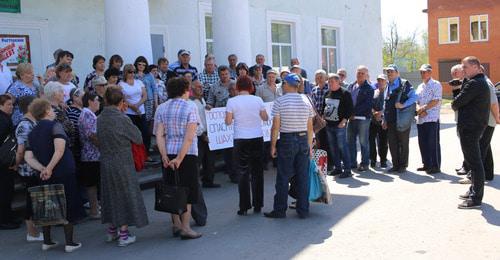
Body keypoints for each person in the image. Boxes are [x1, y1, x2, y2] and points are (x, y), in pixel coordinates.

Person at [24, 98, 85, 252]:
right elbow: (60, 149)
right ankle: (70, 243)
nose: (53, 110)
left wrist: (43, 168)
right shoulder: (55, 126)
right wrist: (49, 168)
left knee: (46, 205)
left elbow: (28, 157)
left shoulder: (32, 132)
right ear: (46, 111)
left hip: (44, 174)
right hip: (62, 171)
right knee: (67, 204)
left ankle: (47, 241)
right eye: (50, 108)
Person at [97, 86, 149, 246]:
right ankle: (123, 234)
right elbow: (138, 138)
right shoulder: (122, 118)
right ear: (121, 101)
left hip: (106, 160)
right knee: (125, 195)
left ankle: (112, 230)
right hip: (122, 161)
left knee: (110, 194)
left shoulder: (100, 118)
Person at [155, 77, 202, 240]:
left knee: (171, 188)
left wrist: (164, 155)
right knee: (187, 190)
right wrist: (180, 158)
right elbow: (189, 137)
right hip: (187, 154)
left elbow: (159, 134)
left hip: (168, 152)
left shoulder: (161, 108)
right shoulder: (191, 106)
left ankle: (175, 224)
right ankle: (186, 227)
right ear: (185, 90)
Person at [264, 73, 314, 219]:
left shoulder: (280, 101)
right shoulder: (306, 100)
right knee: (302, 176)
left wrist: (273, 145)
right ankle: (303, 209)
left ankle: (280, 210)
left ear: (287, 84)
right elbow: (309, 127)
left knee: (283, 176)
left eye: (283, 83)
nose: (282, 85)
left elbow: (275, 127)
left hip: (287, 140)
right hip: (303, 138)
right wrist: (310, 146)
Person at [225, 75, 268, 215]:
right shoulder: (258, 100)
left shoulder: (232, 101)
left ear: (237, 87)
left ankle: (244, 206)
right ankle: (258, 204)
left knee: (242, 173)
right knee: (257, 172)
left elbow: (228, 121)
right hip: (256, 137)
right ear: (251, 86)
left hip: (240, 138)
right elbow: (265, 117)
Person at [452, 56, 491, 209]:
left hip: (470, 128)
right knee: (473, 162)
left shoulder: (475, 83)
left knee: (475, 163)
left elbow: (456, 103)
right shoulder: (476, 82)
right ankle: (473, 190)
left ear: (476, 67)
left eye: (465, 67)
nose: (463, 70)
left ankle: (476, 198)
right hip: (472, 126)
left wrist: (457, 91)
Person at [14, 96, 43, 240]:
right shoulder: (24, 125)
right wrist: (16, 165)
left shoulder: (32, 121)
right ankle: (31, 233)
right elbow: (21, 149)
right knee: (31, 199)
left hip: (34, 167)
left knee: (35, 198)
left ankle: (35, 229)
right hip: (28, 168)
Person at [383, 64, 417, 173]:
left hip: (402, 119)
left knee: (403, 143)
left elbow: (414, 97)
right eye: (388, 72)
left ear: (397, 73)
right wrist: (384, 119)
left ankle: (403, 165)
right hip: (391, 119)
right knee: (392, 143)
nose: (389, 74)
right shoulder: (387, 85)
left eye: (391, 71)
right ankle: (395, 165)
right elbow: (386, 103)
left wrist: (404, 104)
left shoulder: (404, 84)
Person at [206, 66, 237, 183]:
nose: (224, 76)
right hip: (221, 124)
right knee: (228, 151)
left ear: (229, 74)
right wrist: (209, 106)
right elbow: (210, 101)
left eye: (226, 74)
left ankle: (239, 173)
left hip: (236, 120)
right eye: (222, 74)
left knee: (237, 149)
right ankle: (233, 174)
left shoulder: (235, 84)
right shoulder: (214, 87)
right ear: (219, 75)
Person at [323, 73, 353, 178]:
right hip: (328, 125)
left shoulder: (345, 93)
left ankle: (348, 169)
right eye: (328, 82)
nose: (329, 84)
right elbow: (324, 107)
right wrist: (323, 118)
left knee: (342, 147)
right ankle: (338, 168)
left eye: (332, 82)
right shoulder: (327, 93)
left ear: (338, 82)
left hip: (340, 125)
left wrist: (344, 121)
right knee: (333, 147)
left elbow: (350, 109)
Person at [191, 80, 219, 188]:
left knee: (210, 159)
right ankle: (194, 184)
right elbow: (195, 121)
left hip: (207, 132)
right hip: (198, 135)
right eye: (198, 87)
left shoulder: (202, 99)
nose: (201, 88)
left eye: (201, 87)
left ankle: (208, 180)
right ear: (192, 88)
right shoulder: (192, 102)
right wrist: (202, 135)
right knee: (198, 160)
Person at [415, 64, 442, 174]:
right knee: (422, 142)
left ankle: (435, 166)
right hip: (421, 118)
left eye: (425, 72)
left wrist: (423, 108)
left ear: (430, 72)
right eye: (421, 72)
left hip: (431, 118)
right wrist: (419, 110)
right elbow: (416, 101)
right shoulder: (420, 86)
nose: (423, 74)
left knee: (432, 143)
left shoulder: (436, 84)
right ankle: (426, 164)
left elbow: (436, 100)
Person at [347, 66, 374, 172]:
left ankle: (365, 163)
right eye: (358, 73)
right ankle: (352, 163)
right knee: (350, 141)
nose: (360, 75)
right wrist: (349, 114)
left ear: (366, 75)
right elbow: (348, 101)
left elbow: (367, 105)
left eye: (362, 73)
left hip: (363, 118)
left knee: (363, 142)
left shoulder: (369, 88)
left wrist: (353, 113)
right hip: (351, 118)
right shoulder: (351, 86)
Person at [78, 93, 101, 219]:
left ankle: (96, 207)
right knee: (92, 184)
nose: (99, 102)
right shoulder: (87, 114)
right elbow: (91, 135)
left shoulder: (89, 114)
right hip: (91, 155)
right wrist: (102, 146)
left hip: (92, 155)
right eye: (97, 100)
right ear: (90, 101)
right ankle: (94, 210)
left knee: (94, 183)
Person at [119, 64, 149, 156]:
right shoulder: (121, 84)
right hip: (129, 112)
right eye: (130, 72)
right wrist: (134, 108)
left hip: (141, 111)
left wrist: (137, 106)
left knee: (145, 133)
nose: (132, 74)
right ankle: (134, 155)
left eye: (133, 72)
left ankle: (145, 154)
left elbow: (145, 95)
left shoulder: (139, 82)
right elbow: (123, 98)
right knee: (132, 134)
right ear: (125, 73)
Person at [0, 94, 19, 230]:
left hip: (5, 160)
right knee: (5, 191)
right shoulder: (2, 120)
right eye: (8, 104)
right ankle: (4, 220)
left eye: (12, 104)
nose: (11, 107)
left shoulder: (5, 118)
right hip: (3, 161)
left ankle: (7, 216)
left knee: (7, 190)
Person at [134, 57, 157, 158]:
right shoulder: (133, 76)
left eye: (144, 65)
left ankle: (147, 152)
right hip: (137, 102)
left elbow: (154, 89)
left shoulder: (149, 75)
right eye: (139, 64)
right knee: (139, 127)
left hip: (149, 102)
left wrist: (155, 103)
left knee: (147, 128)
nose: (141, 67)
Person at [311, 69, 333, 172]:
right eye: (317, 77)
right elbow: (312, 105)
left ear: (326, 78)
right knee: (318, 143)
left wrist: (323, 116)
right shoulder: (314, 89)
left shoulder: (329, 89)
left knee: (328, 142)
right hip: (317, 119)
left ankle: (330, 165)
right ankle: (321, 164)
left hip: (327, 119)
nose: (319, 79)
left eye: (321, 77)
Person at [43, 81, 76, 149]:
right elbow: (67, 130)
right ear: (55, 94)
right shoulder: (53, 112)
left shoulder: (52, 109)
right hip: (60, 148)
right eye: (61, 91)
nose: (64, 94)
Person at [369, 74, 389, 168]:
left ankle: (383, 161)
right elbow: (370, 105)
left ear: (386, 82)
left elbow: (389, 106)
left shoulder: (389, 93)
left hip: (384, 120)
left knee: (383, 142)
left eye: (382, 80)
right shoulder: (374, 92)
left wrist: (381, 113)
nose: (380, 82)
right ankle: (373, 160)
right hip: (373, 120)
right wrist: (374, 113)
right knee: (371, 142)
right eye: (379, 80)